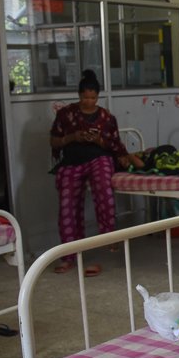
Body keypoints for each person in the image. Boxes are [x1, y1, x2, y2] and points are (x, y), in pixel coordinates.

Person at [49, 70, 143, 275]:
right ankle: (69, 256)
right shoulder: (66, 115)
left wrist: (99, 140)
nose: (89, 102)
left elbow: (114, 144)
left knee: (105, 196)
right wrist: (73, 137)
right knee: (67, 207)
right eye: (85, 97)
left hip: (98, 159)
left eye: (93, 98)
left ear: (98, 97)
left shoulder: (106, 118)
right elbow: (54, 141)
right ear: (79, 95)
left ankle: (107, 246)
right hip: (72, 161)